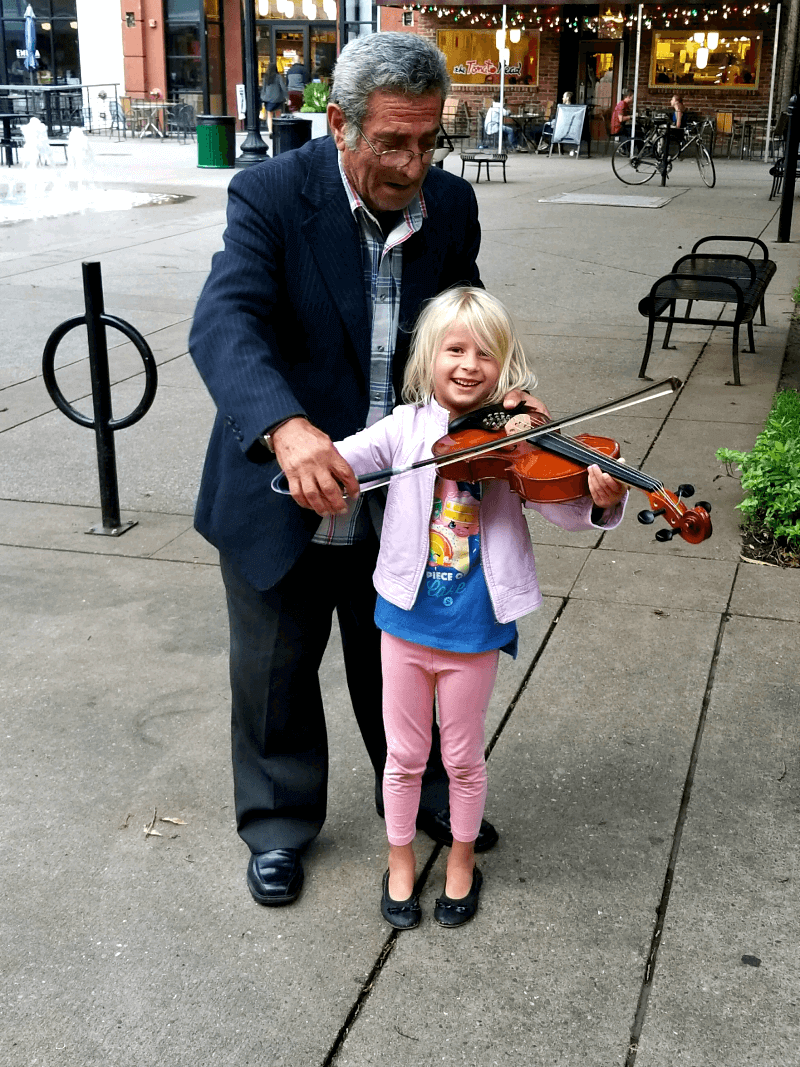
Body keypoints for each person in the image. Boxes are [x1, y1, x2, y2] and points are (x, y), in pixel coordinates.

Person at [189, 33, 548, 908]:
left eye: (428, 140)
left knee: (405, 659)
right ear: (341, 124)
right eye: (392, 141)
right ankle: (277, 823)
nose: (412, 162)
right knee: (273, 673)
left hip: (408, 500)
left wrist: (510, 404)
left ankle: (426, 794)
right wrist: (285, 426)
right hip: (287, 486)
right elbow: (224, 321)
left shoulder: (452, 208)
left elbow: (470, 329)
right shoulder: (271, 192)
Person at [333, 287, 628, 928]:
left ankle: (462, 859)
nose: (469, 365)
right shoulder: (406, 428)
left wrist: (601, 497)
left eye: (486, 355)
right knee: (404, 756)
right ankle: (402, 858)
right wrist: (315, 465)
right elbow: (346, 458)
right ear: (428, 358)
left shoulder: (518, 444)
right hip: (405, 624)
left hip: (474, 628)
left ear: (505, 367)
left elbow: (564, 508)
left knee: (463, 757)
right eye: (455, 350)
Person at [260, 62, 287, 137]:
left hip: (268, 99)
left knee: (269, 116)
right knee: (278, 115)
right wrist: (286, 97)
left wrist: (263, 98)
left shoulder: (266, 77)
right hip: (278, 98)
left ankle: (270, 131)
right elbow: (283, 87)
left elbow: (263, 89)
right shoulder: (278, 77)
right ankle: (278, 130)